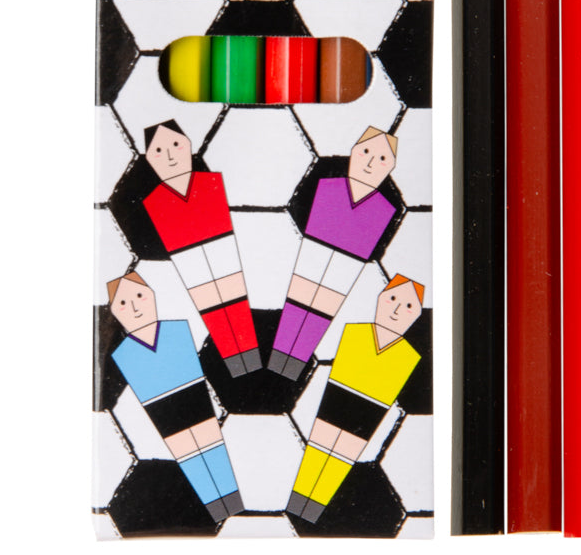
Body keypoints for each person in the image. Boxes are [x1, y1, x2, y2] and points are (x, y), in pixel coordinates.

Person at [287, 275, 424, 524]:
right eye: (392, 298)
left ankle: (308, 512)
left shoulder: (406, 357)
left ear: (416, 315)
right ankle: (300, 507)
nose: (396, 310)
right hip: (338, 403)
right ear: (380, 299)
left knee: (340, 459)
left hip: (367, 413)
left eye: (408, 306)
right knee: (320, 450)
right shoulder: (355, 334)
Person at [107, 272, 244, 522]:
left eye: (139, 295)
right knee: (189, 454)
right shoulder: (127, 354)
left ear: (152, 296)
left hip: (192, 401)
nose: (135, 307)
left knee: (209, 447)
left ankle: (228, 504)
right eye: (123, 303)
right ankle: (218, 509)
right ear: (114, 311)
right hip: (163, 409)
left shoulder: (176, 331)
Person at [269, 126, 401, 379]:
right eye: (366, 151)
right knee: (299, 304)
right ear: (354, 151)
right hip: (315, 256)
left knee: (320, 312)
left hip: (343, 267)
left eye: (383, 158)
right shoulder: (329, 189)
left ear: (390, 167)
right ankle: (280, 366)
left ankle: (287, 370)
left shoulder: (380, 211)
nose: (371, 163)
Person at [141, 120, 260, 376]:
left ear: (188, 145)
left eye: (175, 144)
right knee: (213, 311)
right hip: (191, 262)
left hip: (221, 253)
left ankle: (250, 367)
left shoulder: (210, 183)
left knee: (235, 305)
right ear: (149, 159)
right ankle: (241, 370)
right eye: (159, 151)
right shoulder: (156, 202)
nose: (170, 156)